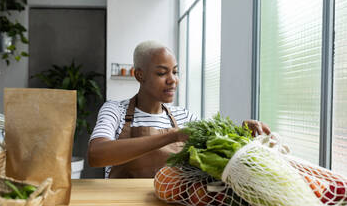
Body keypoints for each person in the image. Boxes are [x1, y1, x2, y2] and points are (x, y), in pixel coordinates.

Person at [88, 40, 270, 178]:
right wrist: (172, 135)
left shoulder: (184, 116)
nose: (172, 80)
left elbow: (216, 144)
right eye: (161, 73)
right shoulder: (115, 110)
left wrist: (241, 131)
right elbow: (96, 155)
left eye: (174, 72)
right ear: (140, 75)